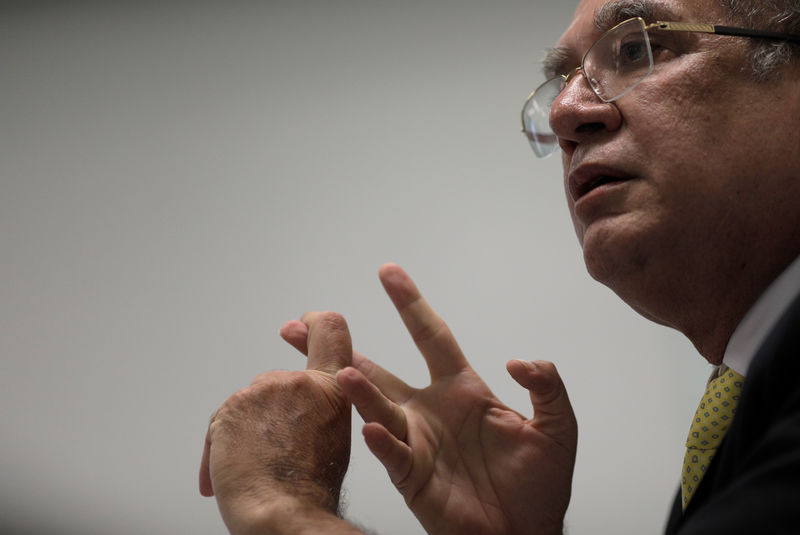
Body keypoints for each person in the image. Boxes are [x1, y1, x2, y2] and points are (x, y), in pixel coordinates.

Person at [199, 0, 800, 533]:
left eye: (638, 48)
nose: (567, 113)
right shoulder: (758, 396)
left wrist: (279, 508)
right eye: (562, 80)